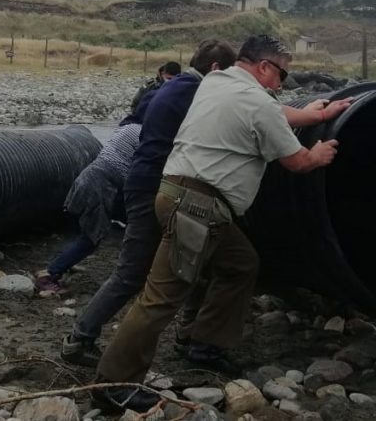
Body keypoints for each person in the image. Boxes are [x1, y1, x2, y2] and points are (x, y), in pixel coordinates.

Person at [92, 35, 352, 413]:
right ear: (264, 67)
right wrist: (320, 152)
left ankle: (204, 342)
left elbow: (267, 111)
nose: (281, 84)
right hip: (199, 208)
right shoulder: (259, 102)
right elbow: (297, 162)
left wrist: (314, 115)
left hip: (176, 195)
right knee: (161, 297)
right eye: (281, 74)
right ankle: (114, 383)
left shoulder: (217, 82)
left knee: (240, 263)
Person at [61, 40, 236, 367]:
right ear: (215, 70)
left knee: (193, 260)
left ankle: (187, 334)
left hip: (144, 182)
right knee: (135, 272)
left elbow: (137, 118)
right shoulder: (196, 93)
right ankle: (79, 339)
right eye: (231, 76)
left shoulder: (169, 87)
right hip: (156, 185)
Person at [35, 120, 143, 294]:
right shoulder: (142, 133)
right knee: (90, 240)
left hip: (88, 181)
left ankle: (63, 264)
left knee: (90, 234)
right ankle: (49, 274)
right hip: (99, 189)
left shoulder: (126, 128)